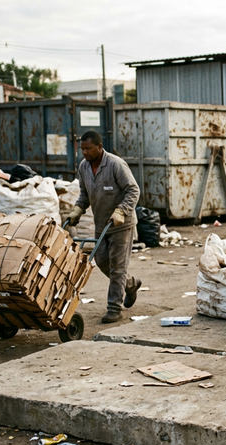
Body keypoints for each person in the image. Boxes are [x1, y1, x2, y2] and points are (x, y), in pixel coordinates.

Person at [67, 131, 142, 324]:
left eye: (88, 149)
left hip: (121, 224)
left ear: (100, 147)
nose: (84, 152)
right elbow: (85, 194)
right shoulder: (83, 167)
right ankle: (131, 284)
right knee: (101, 261)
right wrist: (77, 209)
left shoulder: (116, 164)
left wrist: (121, 211)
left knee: (118, 267)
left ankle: (114, 308)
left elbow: (133, 190)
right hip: (101, 224)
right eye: (82, 149)